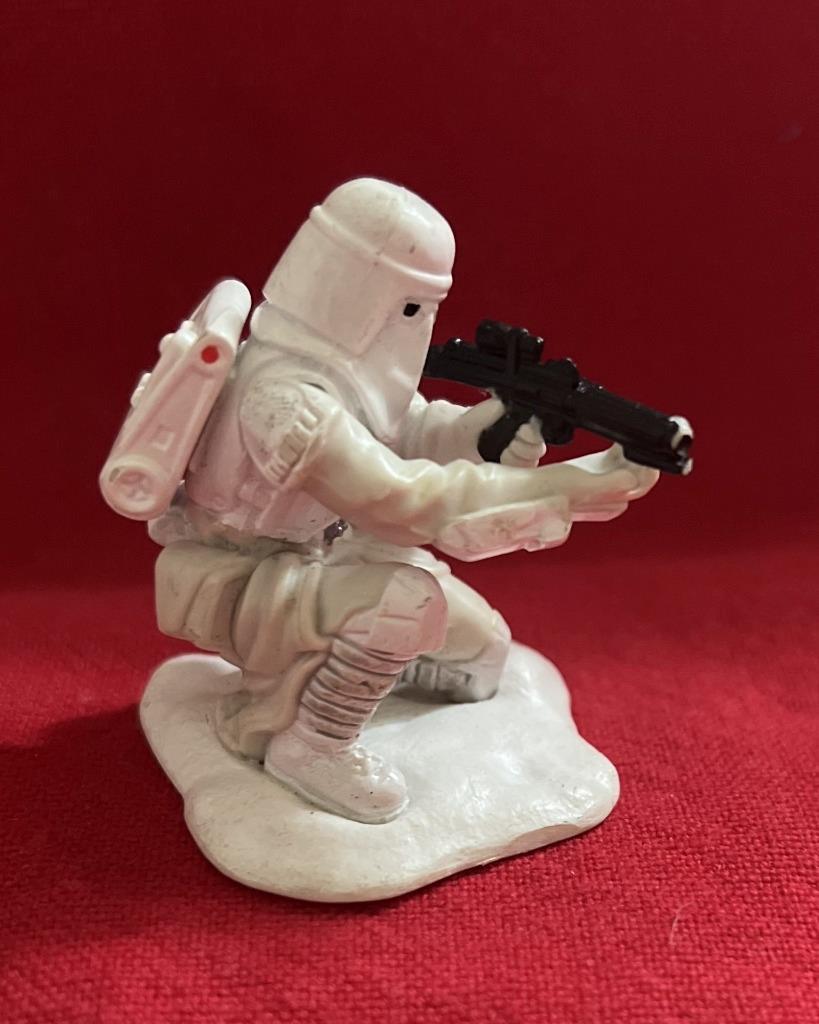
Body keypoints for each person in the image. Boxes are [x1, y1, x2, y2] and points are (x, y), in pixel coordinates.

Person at [148, 178, 658, 824]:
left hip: (320, 558)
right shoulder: (283, 397)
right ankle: (314, 742)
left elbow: (413, 432)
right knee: (407, 603)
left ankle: (356, 664)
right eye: (410, 305)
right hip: (241, 580)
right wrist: (560, 489)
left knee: (482, 654)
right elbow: (398, 502)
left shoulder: (344, 373)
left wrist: (493, 428)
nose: (415, 323)